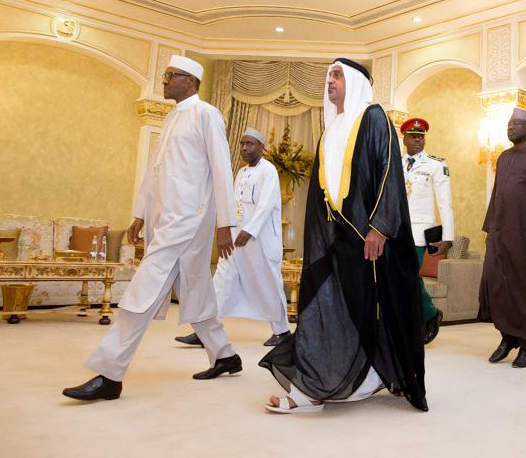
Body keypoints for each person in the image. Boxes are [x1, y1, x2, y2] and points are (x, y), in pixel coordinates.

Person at [63, 55, 240, 401]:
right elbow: (154, 171)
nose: (164, 81)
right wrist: (140, 214)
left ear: (190, 80)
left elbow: (222, 169)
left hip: (189, 219)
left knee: (143, 288)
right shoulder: (173, 118)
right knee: (196, 288)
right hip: (166, 218)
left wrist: (226, 222)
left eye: (170, 76)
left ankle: (109, 373)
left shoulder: (206, 115)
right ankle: (225, 354)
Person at [259, 58, 427, 414]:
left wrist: (380, 227)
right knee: (323, 307)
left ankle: (371, 377)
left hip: (368, 239)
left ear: (354, 81)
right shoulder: (331, 128)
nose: (330, 81)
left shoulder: (374, 117)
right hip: (336, 238)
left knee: (374, 310)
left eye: (336, 75)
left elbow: (388, 173)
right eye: (328, 76)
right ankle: (314, 388)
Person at [174, 128, 290, 349]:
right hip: (237, 239)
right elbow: (233, 205)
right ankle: (206, 331)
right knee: (221, 280)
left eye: (250, 144)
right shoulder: (241, 172)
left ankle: (282, 332)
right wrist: (228, 228)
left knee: (269, 284)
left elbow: (266, 204)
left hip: (260, 241)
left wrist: (251, 230)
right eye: (242, 144)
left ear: (261, 147)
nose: (245, 148)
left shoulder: (269, 171)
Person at [478, 107, 526, 368]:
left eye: (516, 124)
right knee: (498, 285)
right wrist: (490, 227)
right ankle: (507, 338)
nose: (510, 128)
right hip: (500, 233)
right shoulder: (503, 157)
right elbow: (497, 192)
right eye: (509, 124)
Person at [401, 116, 454, 344]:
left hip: (420, 233)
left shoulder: (436, 165)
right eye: (413, 137)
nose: (418, 140)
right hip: (396, 231)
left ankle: (430, 313)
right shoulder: (395, 163)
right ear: (404, 139)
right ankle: (410, 322)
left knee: (410, 277)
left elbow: (445, 203)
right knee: (399, 278)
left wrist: (448, 237)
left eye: (421, 137)